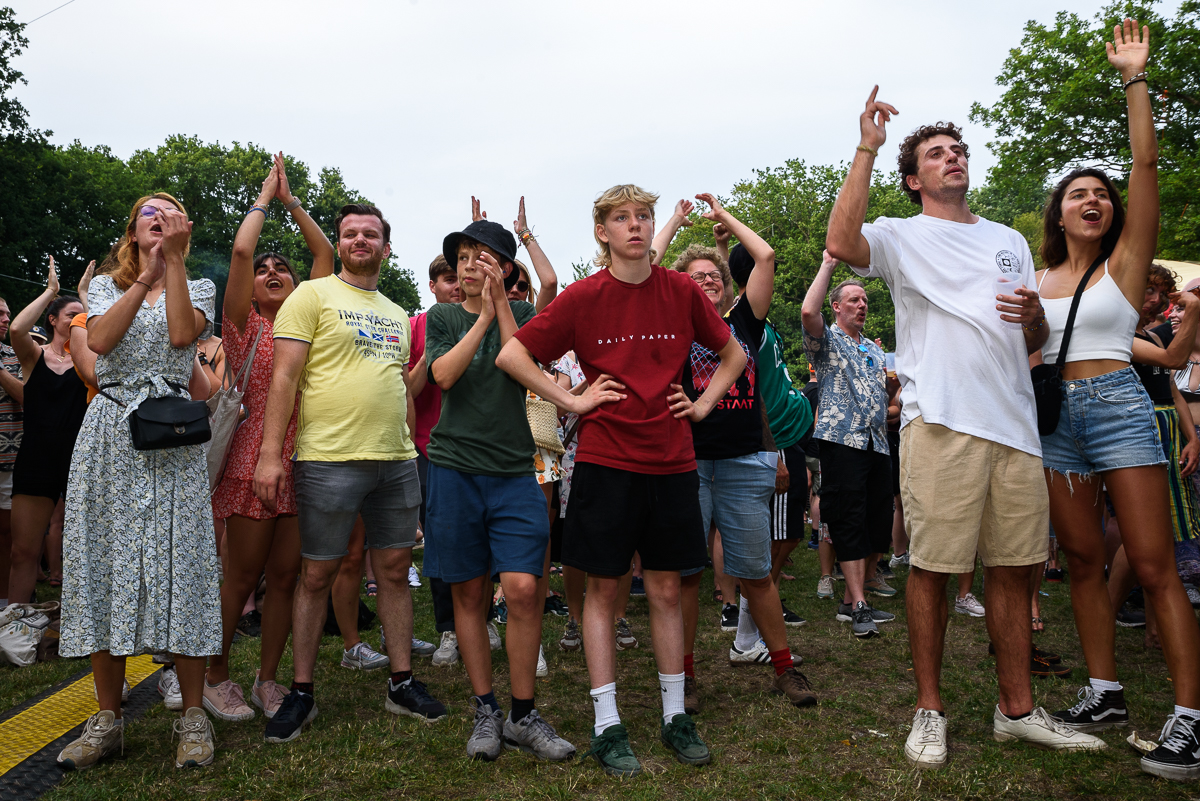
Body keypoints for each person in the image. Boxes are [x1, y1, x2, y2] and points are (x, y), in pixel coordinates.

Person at [826, 82, 1108, 765]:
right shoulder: (898, 236)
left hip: (1013, 427)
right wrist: (866, 145)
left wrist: (1037, 321)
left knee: (1015, 571)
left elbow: (1029, 331)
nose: (953, 158)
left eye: (958, 150)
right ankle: (929, 709)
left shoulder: (1008, 239)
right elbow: (841, 238)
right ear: (913, 178)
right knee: (932, 570)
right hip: (941, 423)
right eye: (936, 153)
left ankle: (1017, 708)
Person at [497, 184, 747, 777]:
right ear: (602, 232)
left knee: (665, 591)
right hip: (607, 463)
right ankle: (607, 723)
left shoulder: (682, 290)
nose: (636, 226)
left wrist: (706, 404)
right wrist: (571, 400)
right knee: (604, 595)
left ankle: (673, 716)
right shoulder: (584, 297)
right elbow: (513, 356)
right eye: (622, 218)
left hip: (673, 461)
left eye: (644, 217)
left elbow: (734, 354)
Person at [1030, 20, 1200, 781]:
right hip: (1057, 423)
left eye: (1100, 194)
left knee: (1157, 565)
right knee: (1083, 560)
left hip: (1121, 407)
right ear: (1058, 213)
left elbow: (1143, 161)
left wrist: (1134, 78)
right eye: (1078, 193)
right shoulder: (1036, 282)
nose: (1093, 199)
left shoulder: (1126, 267)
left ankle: (1191, 718)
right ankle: (1103, 691)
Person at [253, 202, 445, 744]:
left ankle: (401, 681)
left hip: (395, 461)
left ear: (386, 247)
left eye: (371, 234)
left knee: (392, 570)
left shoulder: (395, 311)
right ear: (339, 244)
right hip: (327, 459)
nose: (361, 240)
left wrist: (410, 445)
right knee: (316, 574)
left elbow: (399, 388)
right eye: (351, 234)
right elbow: (284, 380)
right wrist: (271, 456)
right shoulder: (310, 297)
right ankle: (302, 691)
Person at [58, 193, 222, 770]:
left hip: (171, 437)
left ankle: (194, 719)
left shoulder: (198, 286)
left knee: (184, 566)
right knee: (105, 564)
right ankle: (108, 721)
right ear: (131, 232)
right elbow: (99, 343)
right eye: (148, 214)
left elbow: (182, 337)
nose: (159, 218)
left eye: (169, 212)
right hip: (110, 438)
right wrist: (145, 275)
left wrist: (172, 266)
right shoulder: (103, 286)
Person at [653, 195, 816, 712]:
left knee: (754, 570)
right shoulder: (669, 318)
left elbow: (764, 257)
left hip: (746, 461)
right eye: (695, 276)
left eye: (713, 276)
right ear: (681, 283)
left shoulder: (743, 321)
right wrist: (676, 221)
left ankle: (785, 667)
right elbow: (648, 266)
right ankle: (687, 676)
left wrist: (723, 217)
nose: (705, 281)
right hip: (688, 461)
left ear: (726, 285)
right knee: (686, 573)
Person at [423, 213, 574, 762]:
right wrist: (481, 318)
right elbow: (442, 376)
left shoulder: (528, 314)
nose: (468, 267)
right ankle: (486, 709)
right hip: (454, 468)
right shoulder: (440, 316)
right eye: (462, 258)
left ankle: (524, 712)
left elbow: (522, 362)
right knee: (467, 592)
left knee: (525, 588)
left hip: (515, 472)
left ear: (505, 268)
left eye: (480, 258)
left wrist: (501, 309)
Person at [203, 154, 336, 722]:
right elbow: (238, 252)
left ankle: (267, 680)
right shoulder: (244, 326)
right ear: (252, 286)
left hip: (305, 462)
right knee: (241, 577)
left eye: (284, 266)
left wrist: (292, 202)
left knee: (288, 577)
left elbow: (325, 256)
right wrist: (263, 198)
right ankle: (214, 675)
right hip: (253, 462)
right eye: (266, 269)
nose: (274, 270)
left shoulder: (310, 322)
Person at [800, 251, 894, 638]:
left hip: (878, 444)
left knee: (877, 519)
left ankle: (857, 595)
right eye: (853, 300)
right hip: (842, 442)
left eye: (865, 301)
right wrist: (827, 265)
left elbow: (887, 392)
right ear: (836, 307)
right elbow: (808, 312)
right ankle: (856, 603)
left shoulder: (874, 349)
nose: (862, 305)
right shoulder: (827, 340)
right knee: (849, 518)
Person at [6, 258, 87, 607]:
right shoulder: (33, 357)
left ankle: (84, 623)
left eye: (83, 316)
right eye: (72, 314)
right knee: (23, 549)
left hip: (80, 460)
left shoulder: (91, 360)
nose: (78, 320)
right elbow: (16, 330)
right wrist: (51, 291)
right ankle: (15, 622)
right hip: (36, 459)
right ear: (52, 320)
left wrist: (86, 295)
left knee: (85, 550)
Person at [0, 295, 23, 609]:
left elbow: (27, 396)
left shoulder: (16, 356)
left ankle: (4, 601)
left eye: (7, 314)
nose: (6, 319)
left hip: (10, 457)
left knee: (6, 534)